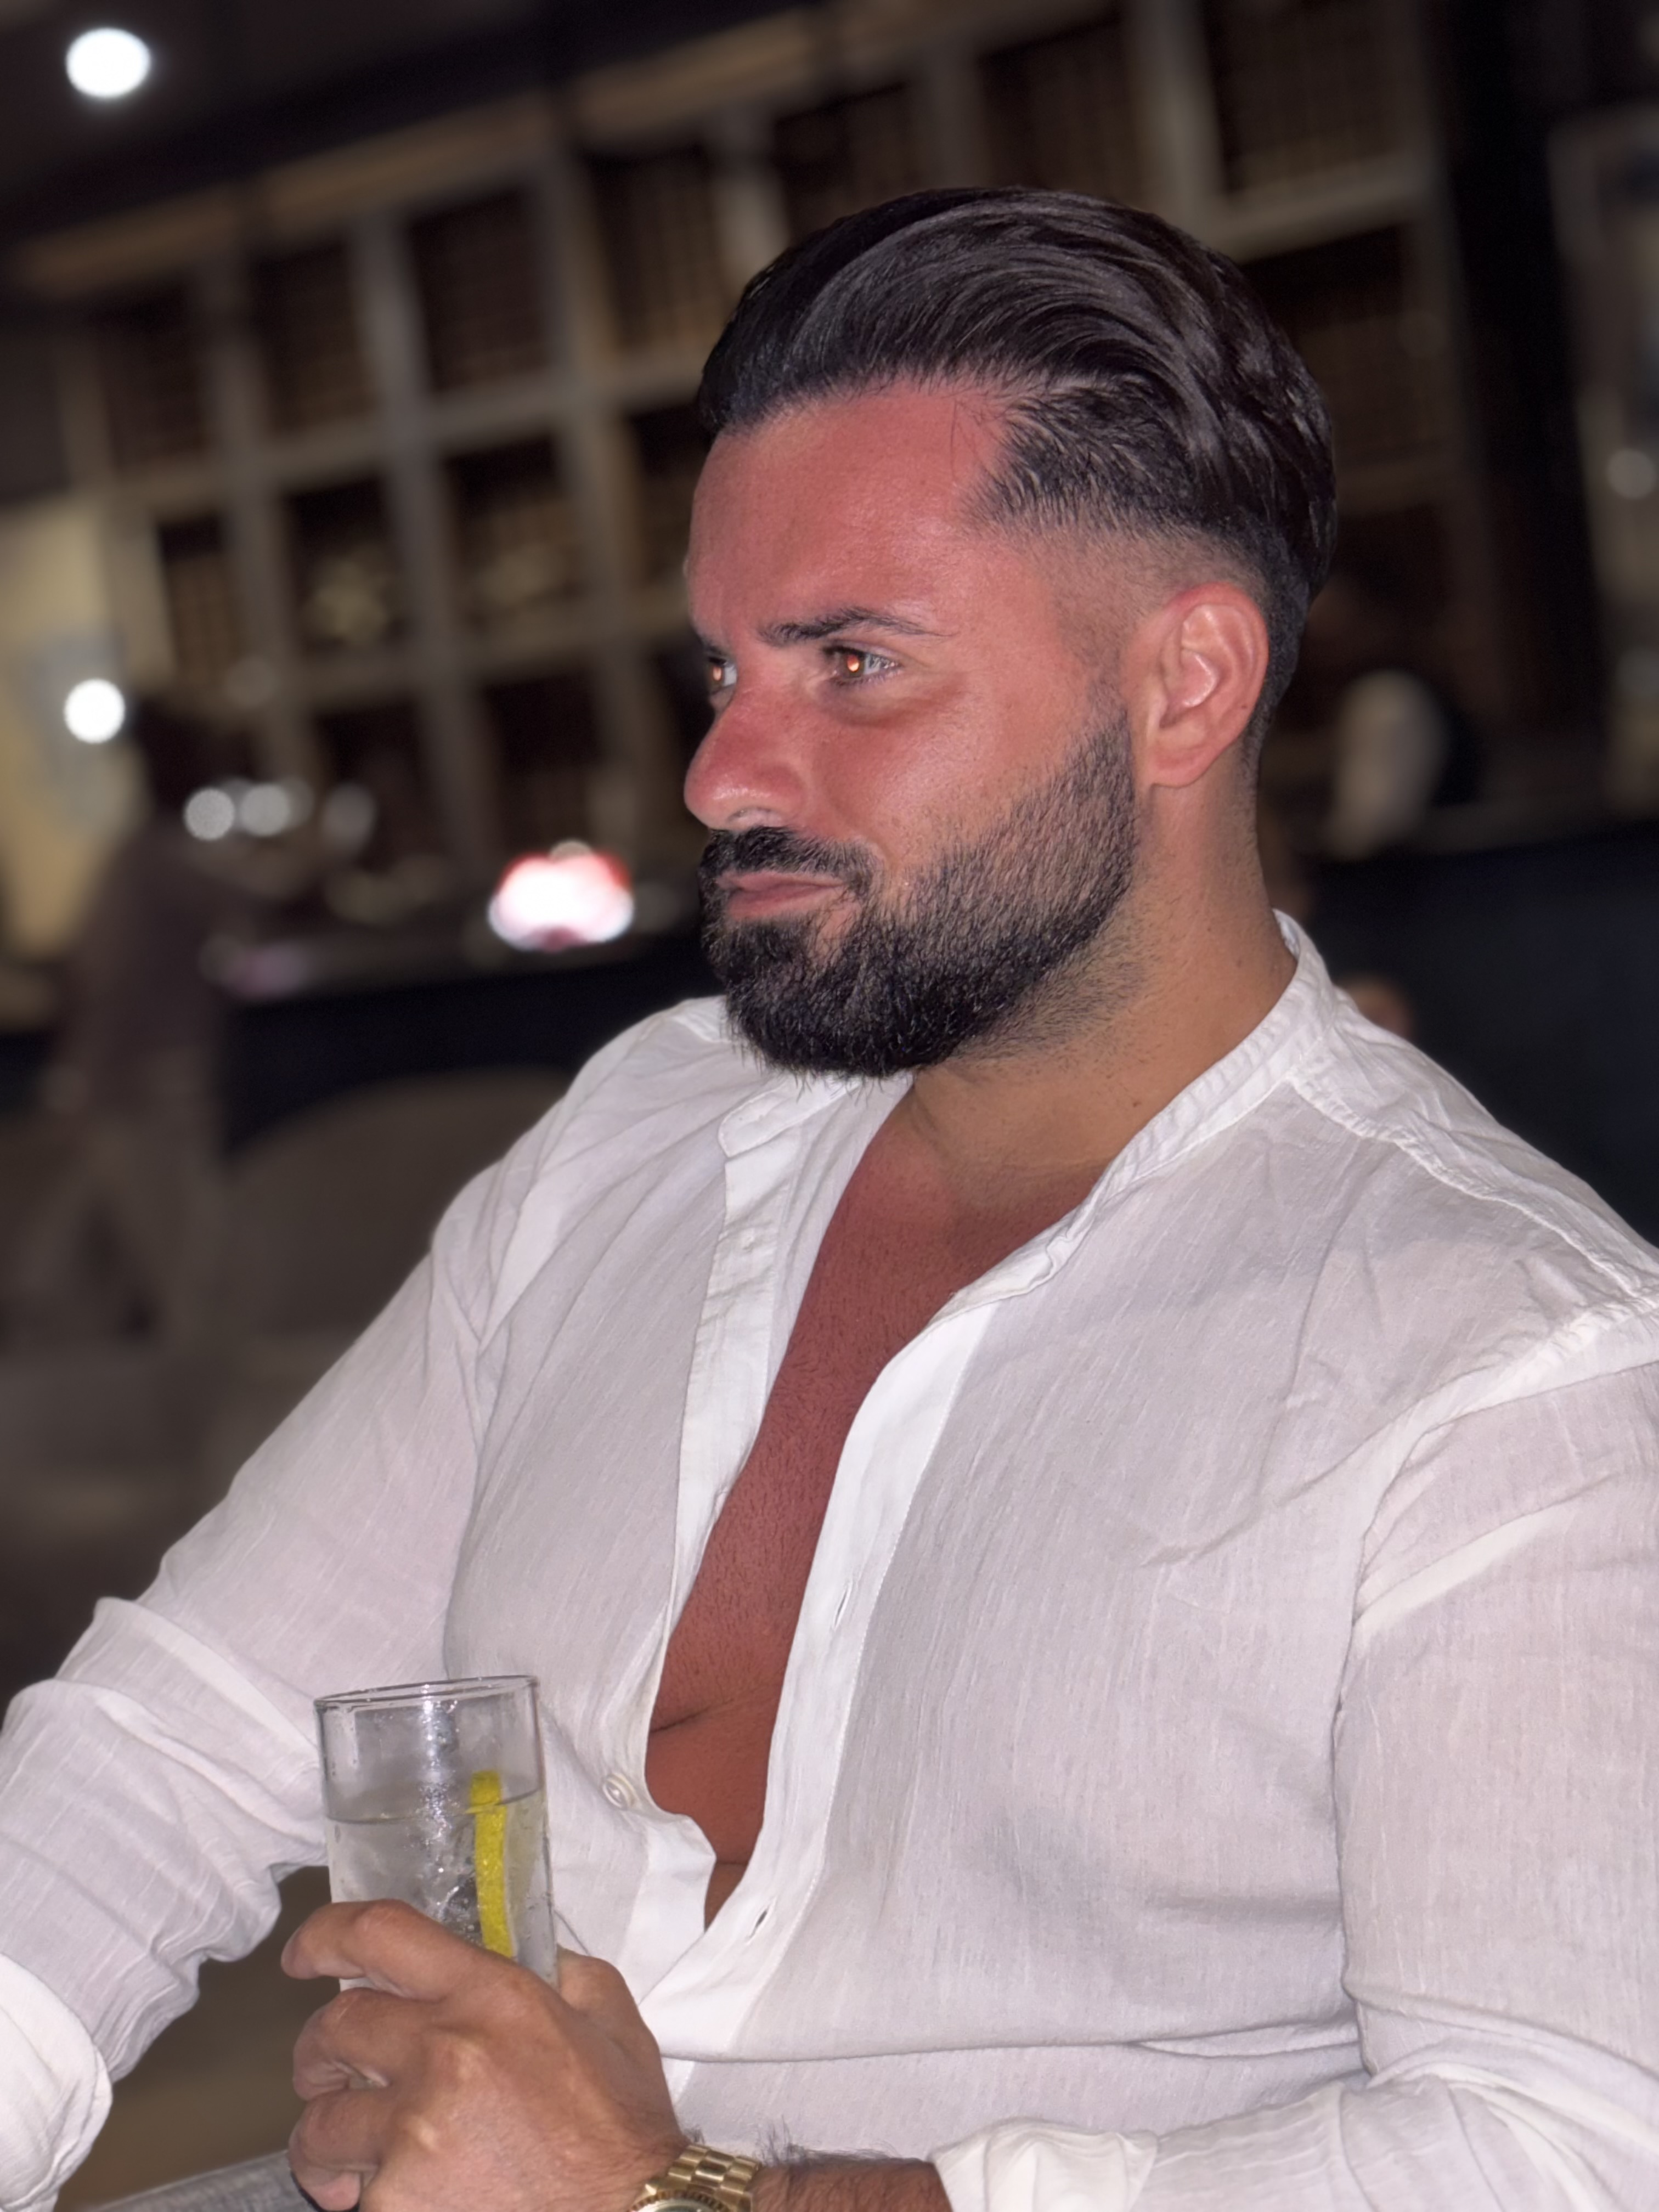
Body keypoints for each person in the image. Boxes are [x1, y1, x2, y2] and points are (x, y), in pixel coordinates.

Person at [2, 189, 1657, 2212]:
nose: (722, 773)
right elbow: (172, 1739)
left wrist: (687, 2200)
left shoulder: (1510, 1359)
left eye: (853, 663)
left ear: (1185, 686)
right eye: (724, 668)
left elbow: (1567, 2150)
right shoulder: (643, 1137)